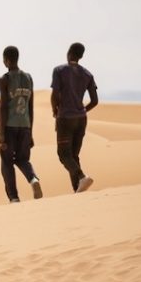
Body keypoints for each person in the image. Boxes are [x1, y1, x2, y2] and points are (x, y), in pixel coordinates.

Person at [0, 46, 43, 203]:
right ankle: (33, 180)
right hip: (25, 126)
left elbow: (3, 108)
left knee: (6, 162)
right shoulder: (28, 78)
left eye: (4, 60)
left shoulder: (4, 80)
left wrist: (1, 134)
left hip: (9, 127)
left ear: (7, 60)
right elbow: (30, 106)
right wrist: (30, 131)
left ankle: (14, 197)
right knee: (23, 160)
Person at [51, 42, 98, 193]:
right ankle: (77, 189)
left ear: (69, 52)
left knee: (63, 155)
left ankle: (82, 177)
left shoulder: (59, 70)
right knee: (73, 155)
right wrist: (83, 109)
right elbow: (95, 101)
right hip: (81, 119)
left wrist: (55, 110)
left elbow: (55, 94)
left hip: (65, 117)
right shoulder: (88, 74)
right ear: (81, 56)